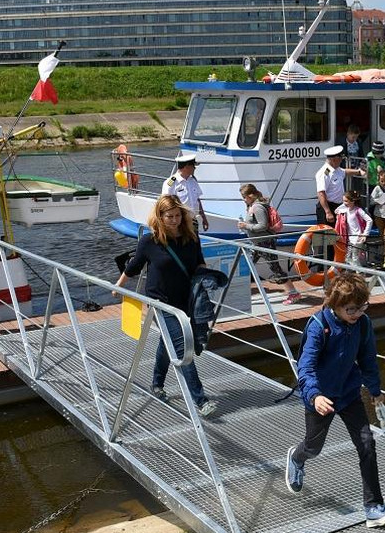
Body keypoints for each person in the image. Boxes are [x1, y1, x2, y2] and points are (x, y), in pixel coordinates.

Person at [285, 272, 385, 528]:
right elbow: (306, 367)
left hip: (349, 394)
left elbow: (368, 358)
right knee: (314, 447)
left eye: (362, 307)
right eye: (351, 309)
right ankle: (297, 457)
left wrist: (374, 389)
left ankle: (373, 507)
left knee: (367, 444)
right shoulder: (318, 325)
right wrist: (314, 396)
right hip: (321, 398)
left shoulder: (363, 323)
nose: (357, 313)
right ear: (333, 304)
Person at [116, 195, 218, 417]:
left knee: (167, 342)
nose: (173, 220)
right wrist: (118, 286)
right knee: (182, 348)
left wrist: (206, 276)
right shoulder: (150, 241)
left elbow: (199, 260)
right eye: (169, 216)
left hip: (187, 300)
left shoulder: (191, 237)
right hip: (161, 303)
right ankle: (201, 401)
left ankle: (156, 384)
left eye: (177, 215)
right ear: (160, 217)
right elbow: (133, 266)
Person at [237, 184, 300, 305]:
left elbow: (263, 225)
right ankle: (236, 292)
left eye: (244, 197)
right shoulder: (251, 206)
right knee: (246, 265)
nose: (243, 199)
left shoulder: (257, 207)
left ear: (251, 195)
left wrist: (246, 226)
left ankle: (293, 293)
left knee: (275, 268)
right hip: (257, 244)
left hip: (264, 243)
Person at [315, 145, 362, 226]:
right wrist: (328, 212)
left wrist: (358, 171)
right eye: (340, 158)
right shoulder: (325, 173)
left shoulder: (336, 169)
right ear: (333, 159)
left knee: (338, 233)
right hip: (328, 207)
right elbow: (321, 193)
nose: (341, 161)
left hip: (338, 207)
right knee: (327, 236)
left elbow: (345, 171)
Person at [162, 154, 209, 232]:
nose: (194, 168)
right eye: (193, 166)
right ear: (186, 167)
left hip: (193, 220)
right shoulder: (171, 182)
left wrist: (204, 217)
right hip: (179, 223)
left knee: (194, 243)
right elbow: (165, 203)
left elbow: (197, 200)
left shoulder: (193, 181)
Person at [334, 189, 373, 269]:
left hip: (358, 237)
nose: (344, 203)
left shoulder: (358, 210)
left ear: (353, 201)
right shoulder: (346, 210)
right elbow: (336, 210)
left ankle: (360, 274)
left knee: (355, 258)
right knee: (347, 258)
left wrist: (365, 234)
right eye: (343, 201)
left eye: (346, 201)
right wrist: (343, 205)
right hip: (350, 239)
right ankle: (357, 272)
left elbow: (370, 220)